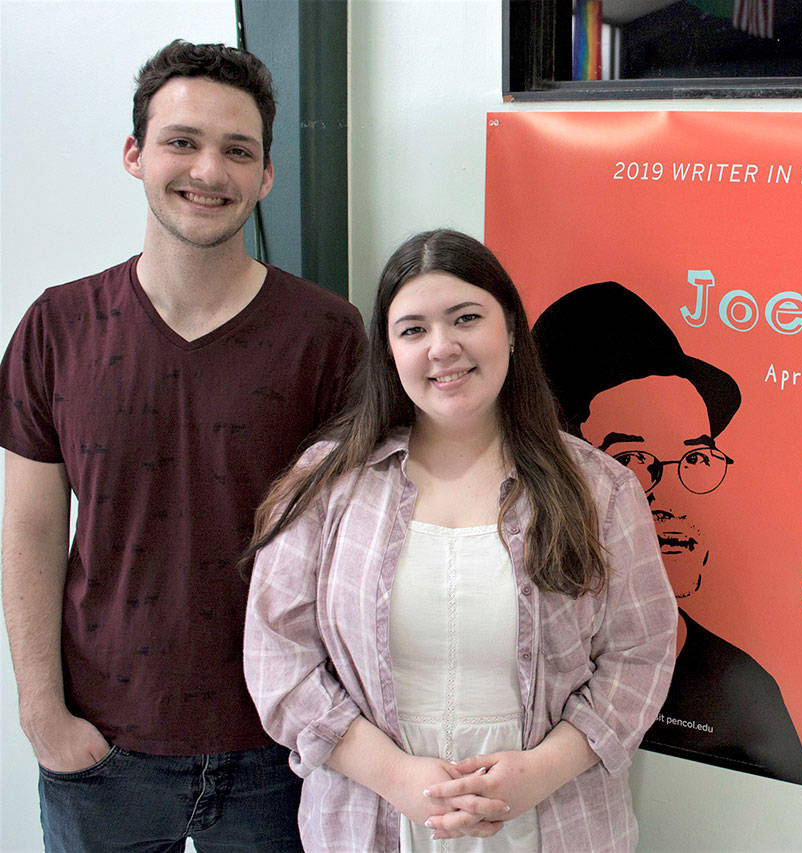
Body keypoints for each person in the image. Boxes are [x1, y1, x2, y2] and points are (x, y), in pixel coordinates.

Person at [0, 40, 366, 850]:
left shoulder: (329, 335)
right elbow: (28, 528)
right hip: (103, 748)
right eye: (182, 141)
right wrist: (40, 710)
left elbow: (361, 538)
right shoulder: (56, 328)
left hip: (284, 745)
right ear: (135, 154)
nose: (210, 169)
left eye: (238, 150)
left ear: (266, 175)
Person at [242, 230, 677, 851]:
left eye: (466, 318)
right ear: (388, 351)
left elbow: (641, 654)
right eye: (413, 329)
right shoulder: (326, 484)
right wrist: (395, 777)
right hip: (372, 821)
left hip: (553, 820)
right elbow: (277, 657)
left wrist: (542, 771)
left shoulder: (600, 489)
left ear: (509, 329)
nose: (442, 348)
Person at [532, 281, 802, 787]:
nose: (669, 498)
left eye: (695, 459)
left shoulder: (740, 688)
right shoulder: (518, 652)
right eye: (631, 461)